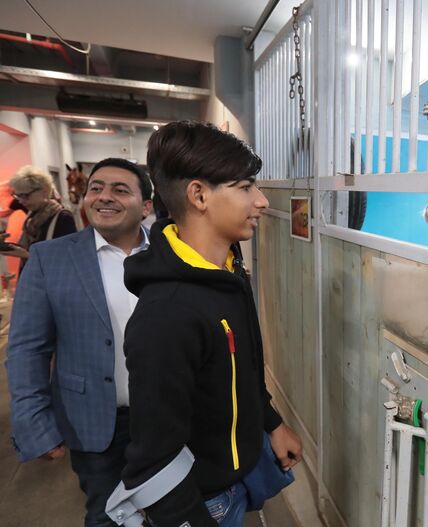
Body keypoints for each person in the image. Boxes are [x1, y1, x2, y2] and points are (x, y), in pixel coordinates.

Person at [118, 121, 302, 526]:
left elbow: (242, 369)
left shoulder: (226, 268)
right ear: (199, 195)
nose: (261, 200)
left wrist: (271, 423)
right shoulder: (168, 313)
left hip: (238, 478)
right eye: (244, 186)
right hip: (205, 504)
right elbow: (152, 459)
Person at [5, 158, 154, 526]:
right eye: (96, 188)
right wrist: (34, 423)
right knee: (109, 515)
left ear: (147, 206)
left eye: (120, 189)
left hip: (172, 418)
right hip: (97, 422)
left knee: (175, 512)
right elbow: (27, 349)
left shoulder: (169, 255)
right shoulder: (51, 258)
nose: (104, 197)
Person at [7, 165, 78, 270]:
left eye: (26, 195)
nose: (21, 201)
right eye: (18, 196)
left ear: (45, 191)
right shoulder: (31, 216)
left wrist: (26, 255)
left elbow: (67, 259)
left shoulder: (62, 218)